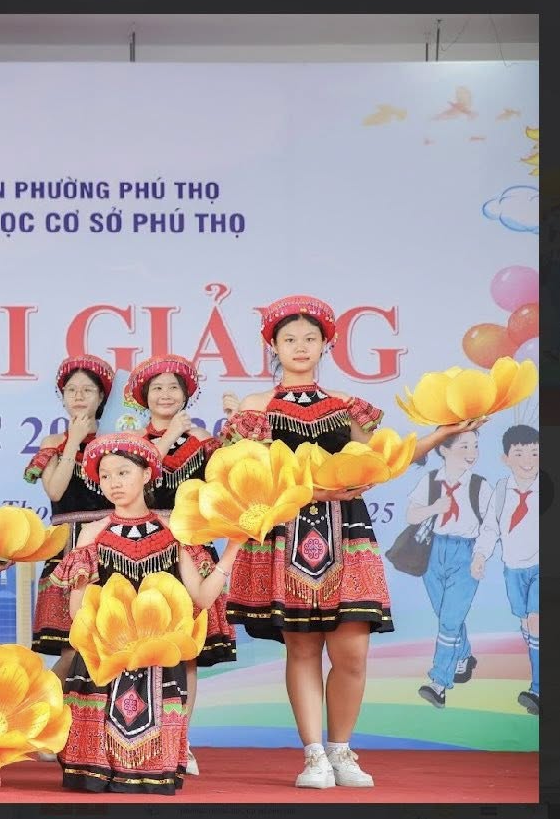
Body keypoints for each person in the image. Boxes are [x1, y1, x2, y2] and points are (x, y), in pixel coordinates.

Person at [221, 294, 484, 789]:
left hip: (346, 532)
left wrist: (443, 433)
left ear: (326, 344)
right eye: (289, 339)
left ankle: (342, 749)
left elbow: (383, 462)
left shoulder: (346, 405)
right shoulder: (255, 409)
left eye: (310, 338)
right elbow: (249, 478)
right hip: (284, 534)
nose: (300, 347)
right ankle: (313, 755)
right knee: (302, 649)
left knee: (353, 653)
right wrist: (317, 490)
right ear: (273, 346)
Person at [50, 433, 237, 794]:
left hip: (158, 653)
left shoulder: (174, 530)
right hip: (105, 653)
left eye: (123, 473)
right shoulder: (91, 534)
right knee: (94, 780)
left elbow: (200, 597)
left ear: (147, 474)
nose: (114, 483)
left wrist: (232, 550)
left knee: (152, 780)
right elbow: (77, 610)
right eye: (106, 476)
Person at [126, 354, 238, 776]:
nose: (165, 394)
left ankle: (179, 740)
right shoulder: (133, 440)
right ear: (144, 396)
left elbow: (227, 481)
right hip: (139, 547)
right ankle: (136, 732)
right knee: (136, 644)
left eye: (173, 387)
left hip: (189, 545)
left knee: (185, 652)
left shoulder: (203, 441)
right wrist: (171, 433)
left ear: (186, 394)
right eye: (157, 388)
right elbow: (136, 475)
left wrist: (234, 428)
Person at [23, 355, 115, 682]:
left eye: (87, 390)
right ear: (62, 396)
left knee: (106, 642)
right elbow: (56, 491)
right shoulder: (52, 443)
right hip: (66, 547)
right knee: (71, 647)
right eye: (71, 389)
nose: (78, 396)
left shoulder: (112, 444)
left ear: (101, 397)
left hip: (107, 545)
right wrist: (73, 441)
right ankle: (44, 702)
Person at [406, 429, 492, 708]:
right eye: (464, 446)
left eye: (475, 446)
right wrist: (434, 508)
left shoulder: (480, 486)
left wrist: (480, 556)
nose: (472, 453)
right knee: (446, 615)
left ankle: (439, 683)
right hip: (432, 551)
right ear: (444, 450)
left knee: (450, 620)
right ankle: (464, 655)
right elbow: (411, 515)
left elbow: (490, 527)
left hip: (465, 552)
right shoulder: (430, 480)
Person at [471, 424, 539, 715]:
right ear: (506, 458)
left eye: (535, 453)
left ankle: (538, 689)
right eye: (520, 453)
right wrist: (480, 556)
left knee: (536, 621)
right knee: (527, 625)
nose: (528, 460)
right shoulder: (501, 491)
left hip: (540, 568)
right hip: (513, 569)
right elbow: (491, 529)